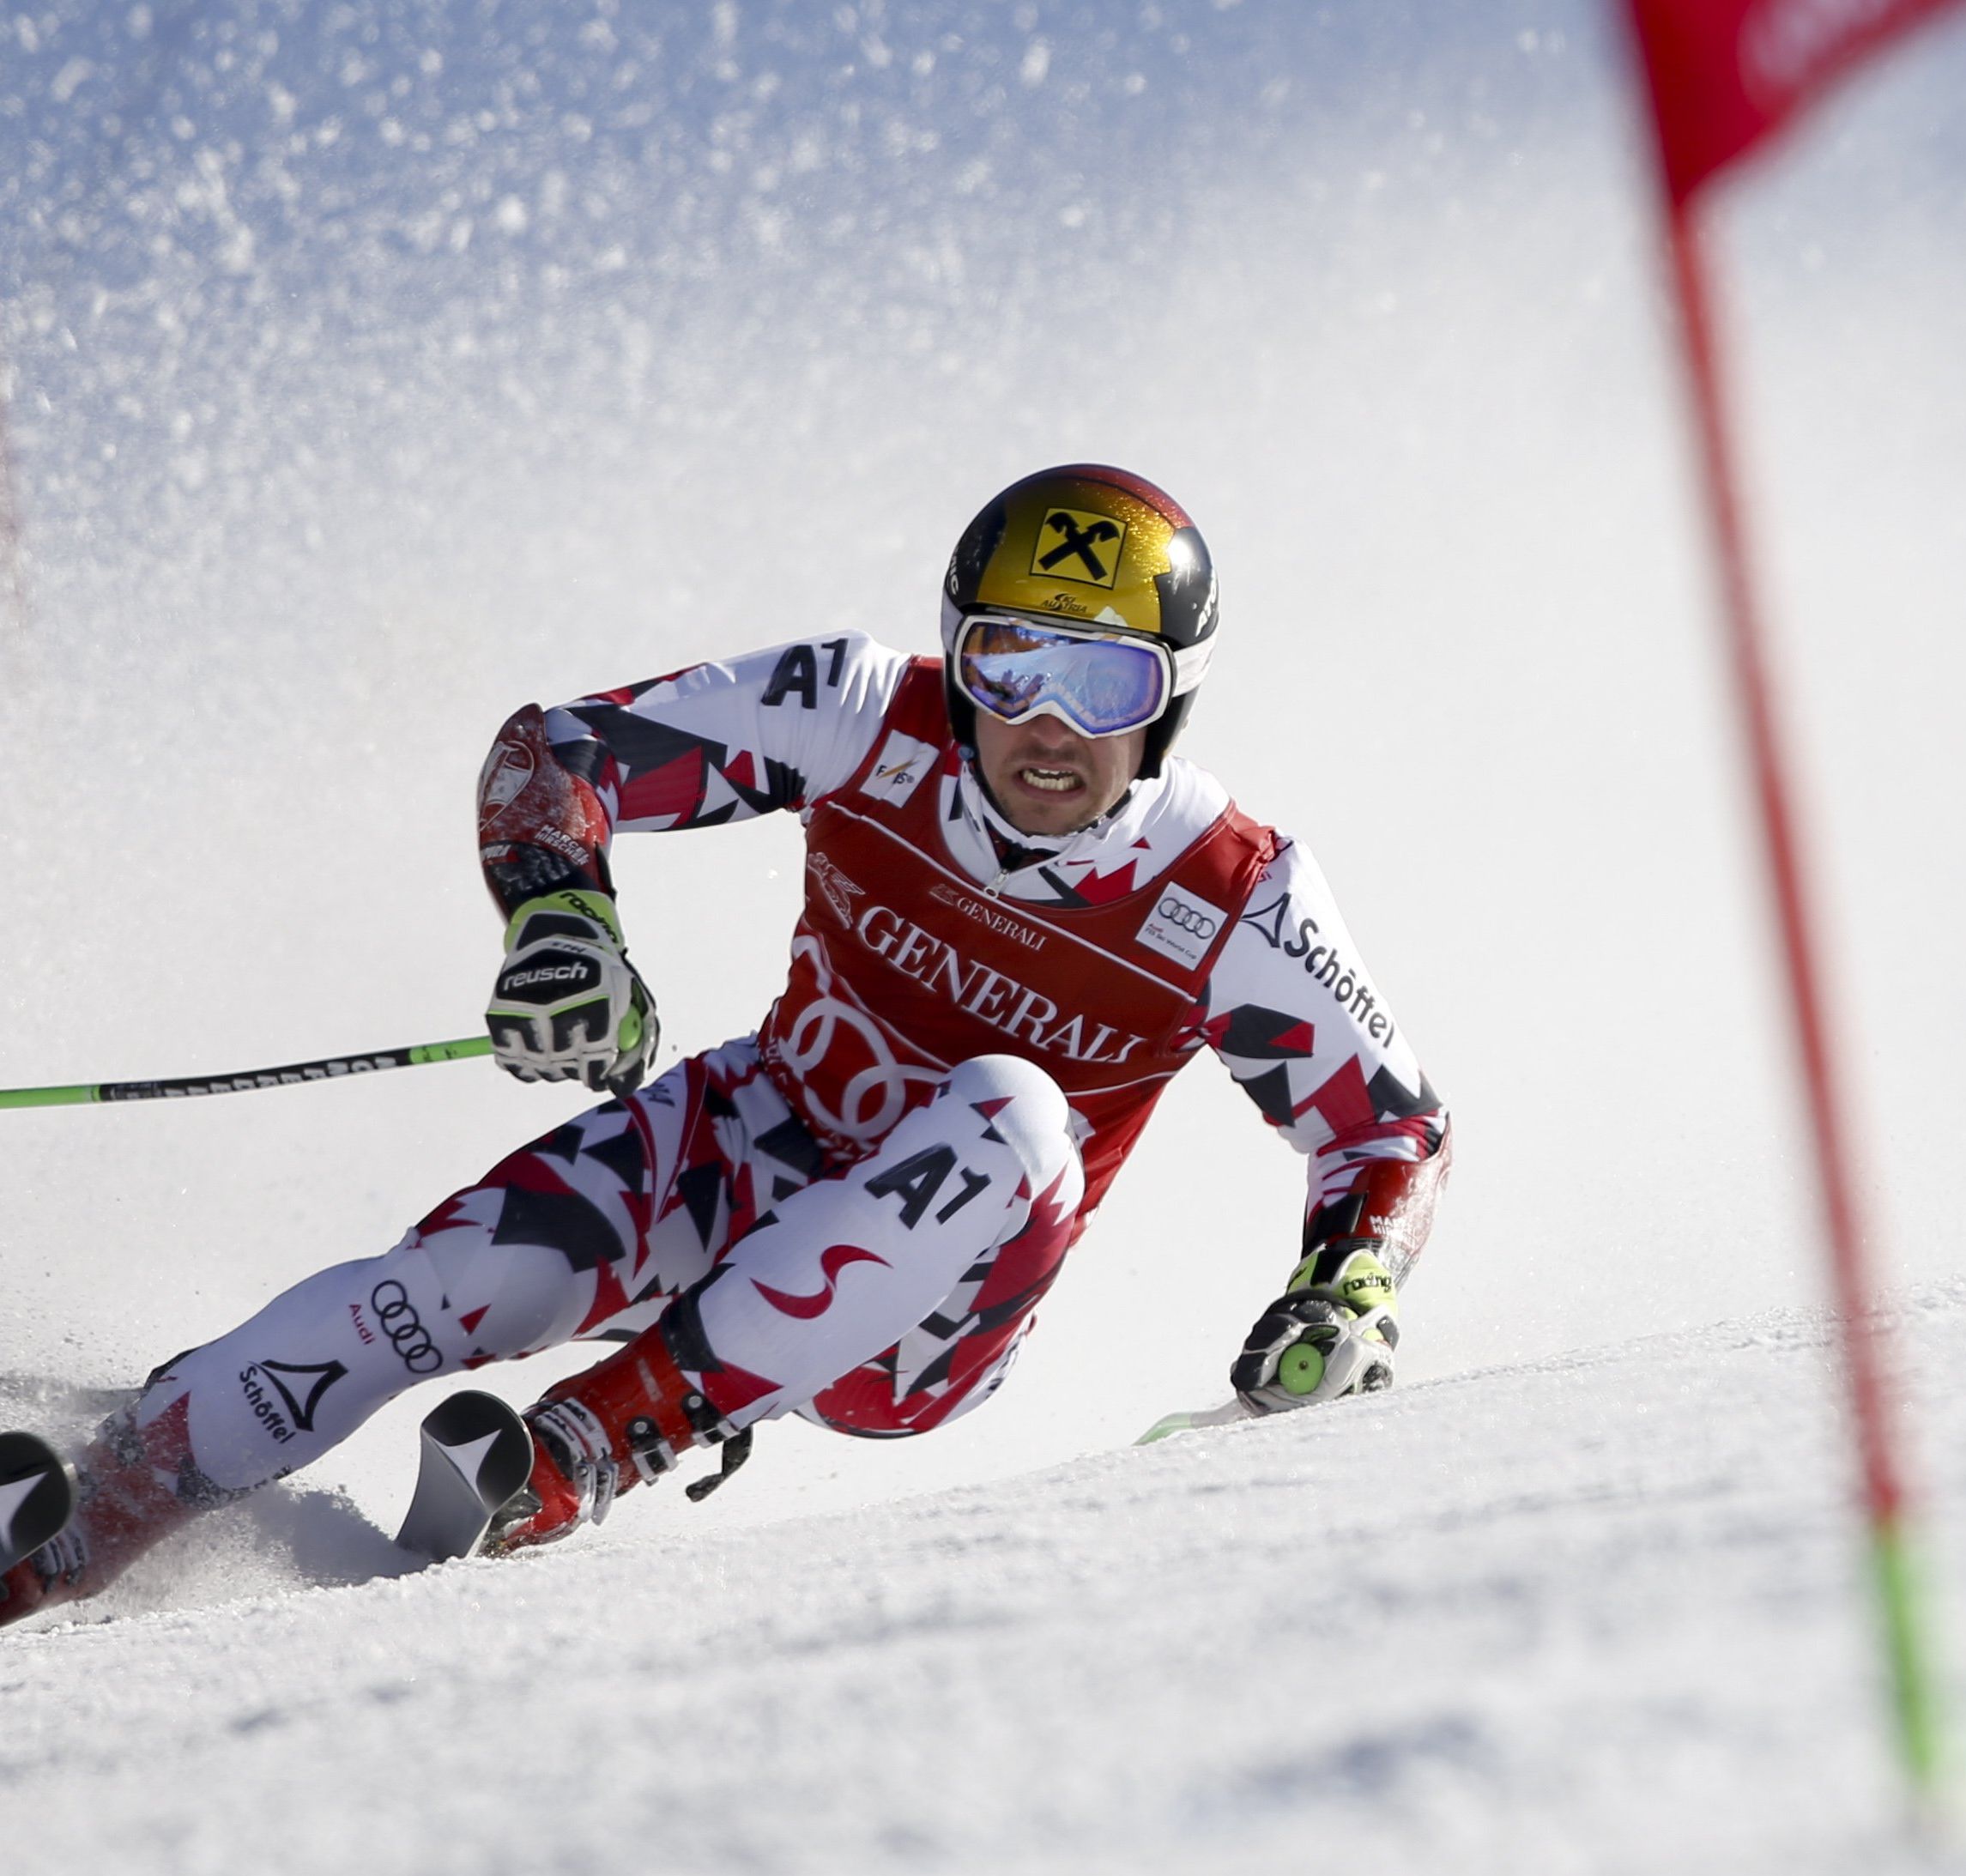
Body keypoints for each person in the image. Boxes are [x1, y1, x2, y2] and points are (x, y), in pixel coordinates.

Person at [1, 464, 1449, 1625]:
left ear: (1173, 697)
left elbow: (1386, 1130)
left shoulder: (1230, 891)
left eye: (1106, 686)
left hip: (918, 1323)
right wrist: (563, 923)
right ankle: (93, 1513)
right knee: (436, 1290)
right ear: (959, 655)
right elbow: (560, 751)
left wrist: (1348, 1291)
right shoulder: (867, 712)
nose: (1048, 729)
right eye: (1010, 667)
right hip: (743, 1146)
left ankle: (595, 1443)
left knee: (1015, 1108)